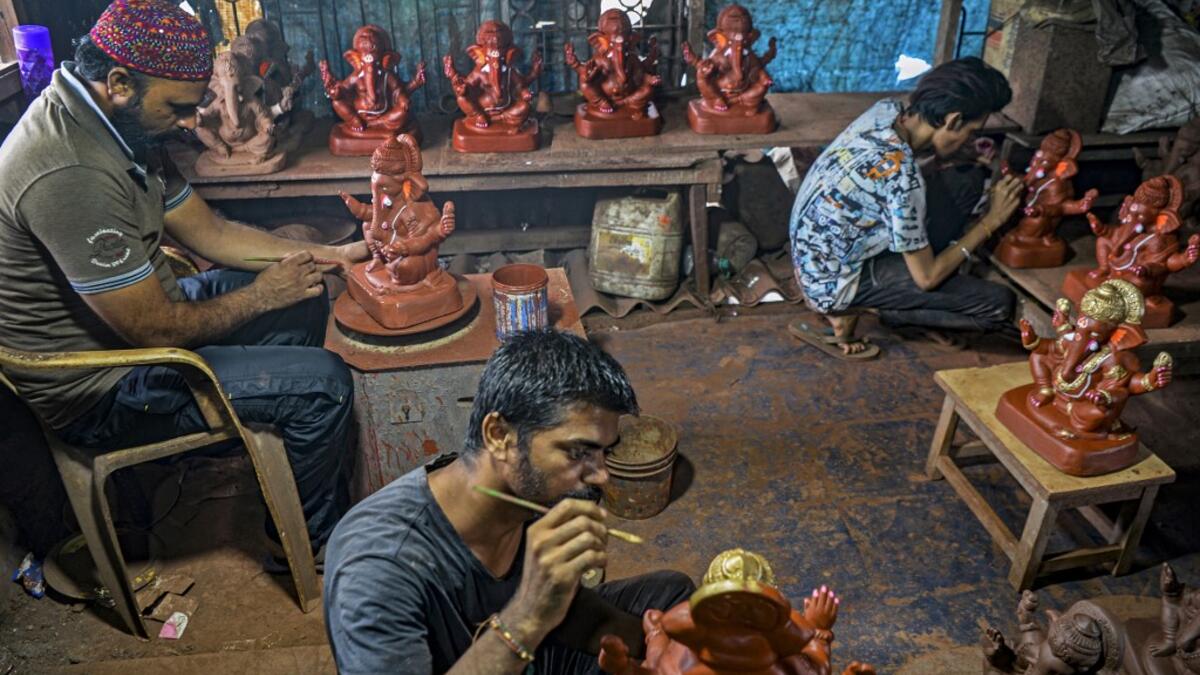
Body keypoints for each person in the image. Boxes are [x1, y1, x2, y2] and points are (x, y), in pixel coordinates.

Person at [0, 0, 370, 563]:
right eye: (179, 107)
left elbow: (210, 232)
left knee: (302, 295)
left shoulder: (120, 128)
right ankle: (314, 542)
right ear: (119, 82)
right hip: (99, 388)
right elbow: (155, 331)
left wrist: (330, 254)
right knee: (326, 386)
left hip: (135, 325)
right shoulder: (69, 169)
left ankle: (272, 445)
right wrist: (261, 295)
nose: (193, 123)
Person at [323, 330, 695, 674]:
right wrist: (527, 616)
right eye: (578, 452)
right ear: (499, 435)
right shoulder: (377, 566)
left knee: (674, 606)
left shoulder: (527, 492)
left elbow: (574, 617)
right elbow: (534, 617)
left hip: (531, 652)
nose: (601, 476)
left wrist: (657, 648)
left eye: (603, 452)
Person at [788, 57, 1025, 360]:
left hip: (814, 258)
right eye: (971, 132)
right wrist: (991, 220)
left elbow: (887, 180)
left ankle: (892, 297)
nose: (972, 139)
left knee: (965, 180)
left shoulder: (886, 111)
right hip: (837, 283)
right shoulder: (903, 178)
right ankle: (878, 311)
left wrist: (952, 153)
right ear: (953, 121)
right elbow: (927, 278)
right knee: (998, 305)